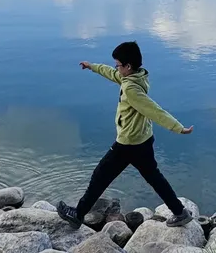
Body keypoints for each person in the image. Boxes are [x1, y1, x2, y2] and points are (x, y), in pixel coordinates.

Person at [57, 41, 194, 229]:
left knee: (100, 176)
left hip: (128, 144)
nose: (116, 68)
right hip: (143, 139)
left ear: (128, 66)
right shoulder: (138, 76)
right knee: (155, 178)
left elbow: (154, 110)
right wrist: (93, 67)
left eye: (118, 64)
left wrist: (178, 127)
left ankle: (77, 214)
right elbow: (113, 74)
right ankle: (180, 212)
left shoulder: (131, 89)